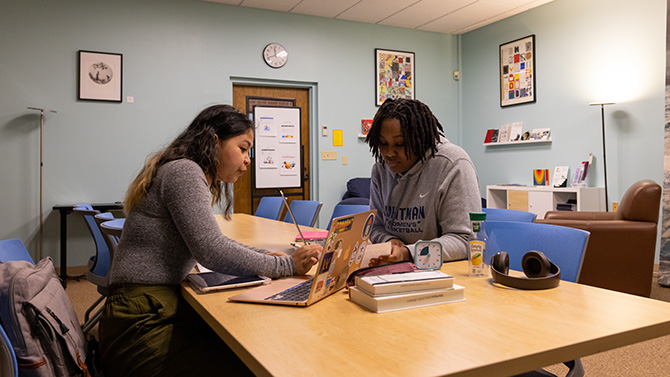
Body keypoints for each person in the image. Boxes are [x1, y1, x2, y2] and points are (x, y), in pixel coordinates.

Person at [99, 104, 322, 377]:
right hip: (140, 319)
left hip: (147, 305)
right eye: (243, 148)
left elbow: (213, 241)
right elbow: (211, 250)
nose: (248, 159)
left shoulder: (180, 169)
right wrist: (285, 267)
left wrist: (266, 257)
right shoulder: (185, 172)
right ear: (214, 141)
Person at [365, 98, 481, 266]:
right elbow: (376, 226)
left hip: (445, 274)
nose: (389, 153)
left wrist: (408, 253)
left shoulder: (453, 164)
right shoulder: (380, 169)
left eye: (400, 144)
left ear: (421, 139)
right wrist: (389, 240)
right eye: (383, 143)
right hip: (395, 270)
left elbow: (464, 241)